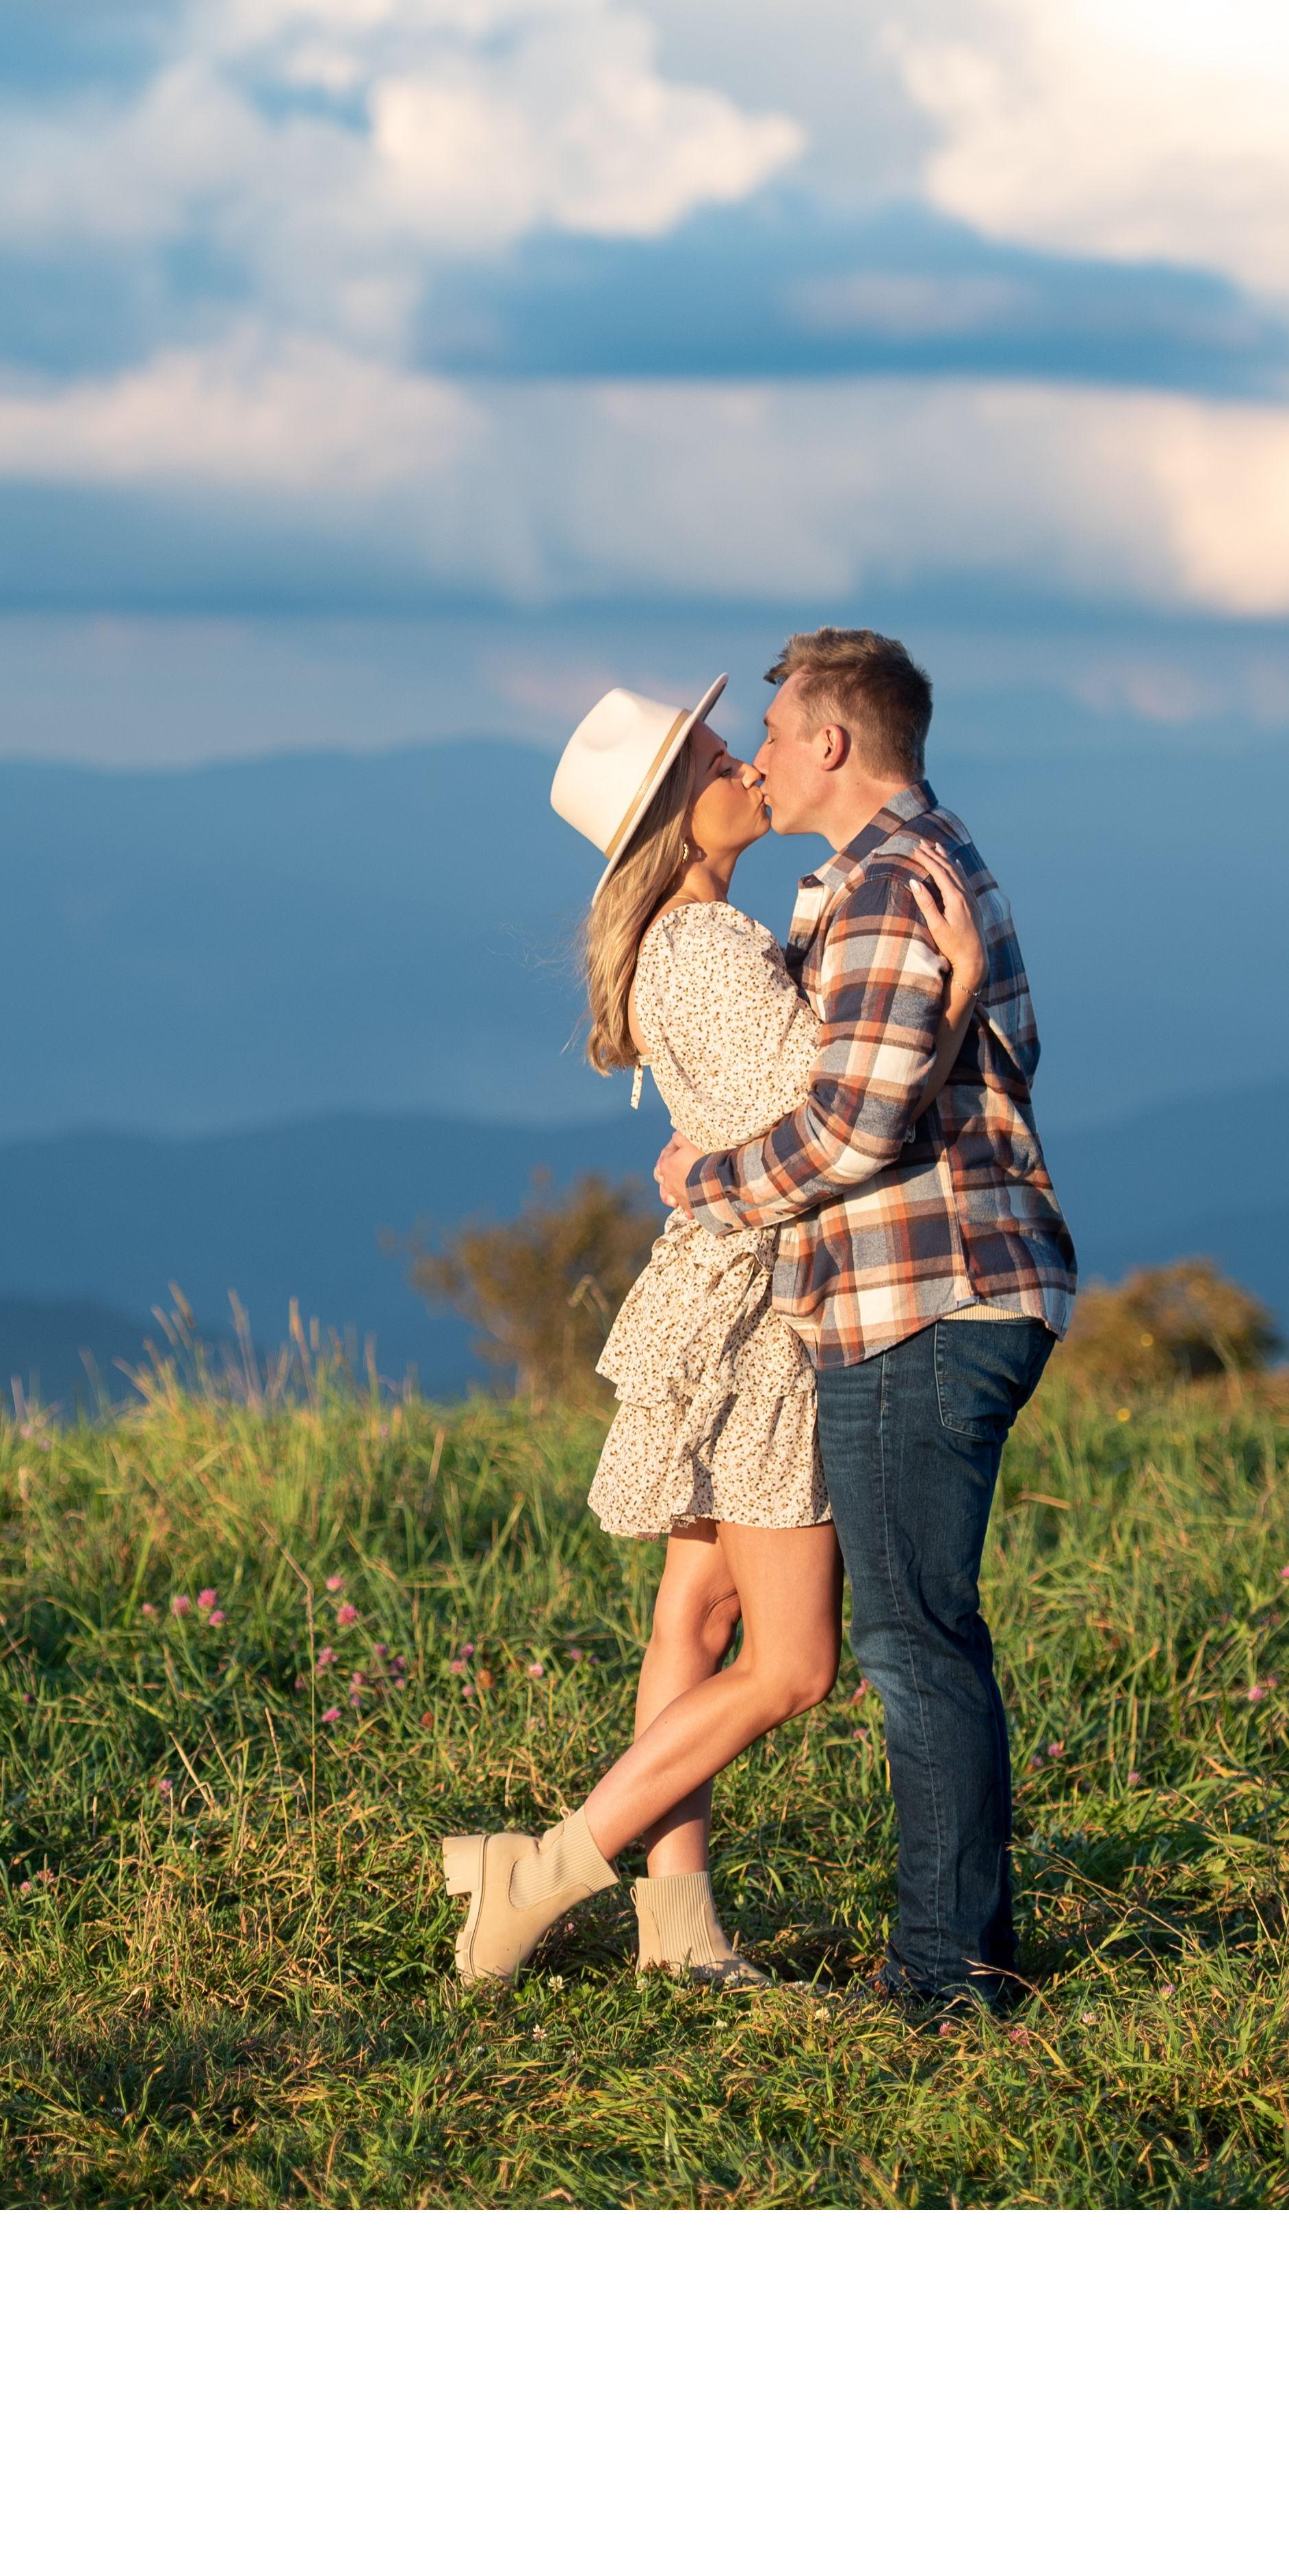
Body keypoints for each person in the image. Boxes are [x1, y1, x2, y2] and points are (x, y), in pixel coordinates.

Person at [439, 674, 989, 1994]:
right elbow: (843, 1122)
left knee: (694, 1609)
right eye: (715, 756)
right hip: (771, 1314)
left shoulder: (703, 941)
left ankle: (675, 1923)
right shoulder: (705, 950)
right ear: (677, 817)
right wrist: (956, 987)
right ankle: (548, 1868)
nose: (748, 761)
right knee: (792, 1664)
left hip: (724, 1292)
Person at [660, 627, 1073, 2022]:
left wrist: (704, 1183)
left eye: (773, 736)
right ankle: (967, 1954)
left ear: (832, 743)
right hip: (941, 1287)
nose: (760, 759)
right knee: (921, 1633)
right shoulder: (892, 877)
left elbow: (847, 1127)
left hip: (921, 1291)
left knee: (909, 1642)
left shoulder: (895, 885)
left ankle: (945, 1980)